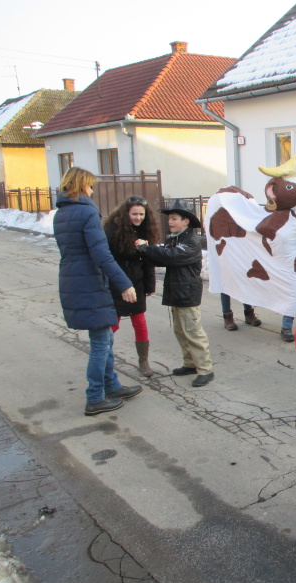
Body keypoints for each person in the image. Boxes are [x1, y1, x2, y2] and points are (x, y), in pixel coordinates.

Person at [53, 167, 142, 416]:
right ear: (82, 185)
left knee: (105, 337)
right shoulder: (86, 211)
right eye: (90, 186)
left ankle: (111, 385)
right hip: (89, 281)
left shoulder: (61, 213)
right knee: (101, 342)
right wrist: (124, 283)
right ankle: (95, 397)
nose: (92, 191)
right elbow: (101, 253)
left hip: (73, 280)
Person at [135, 200, 214, 387]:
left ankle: (205, 369)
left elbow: (171, 256)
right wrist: (148, 252)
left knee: (193, 332)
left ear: (186, 221)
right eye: (170, 218)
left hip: (187, 293)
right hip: (176, 291)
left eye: (174, 218)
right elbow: (163, 258)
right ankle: (190, 364)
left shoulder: (191, 241)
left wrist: (147, 248)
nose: (170, 222)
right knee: (180, 331)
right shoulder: (175, 238)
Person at [103, 196, 160, 377]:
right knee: (114, 322)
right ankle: (103, 358)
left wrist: (149, 285)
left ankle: (143, 360)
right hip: (117, 282)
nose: (138, 218)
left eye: (141, 214)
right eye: (134, 214)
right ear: (126, 213)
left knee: (139, 321)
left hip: (137, 282)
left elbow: (149, 261)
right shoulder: (113, 230)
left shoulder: (146, 229)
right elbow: (107, 259)